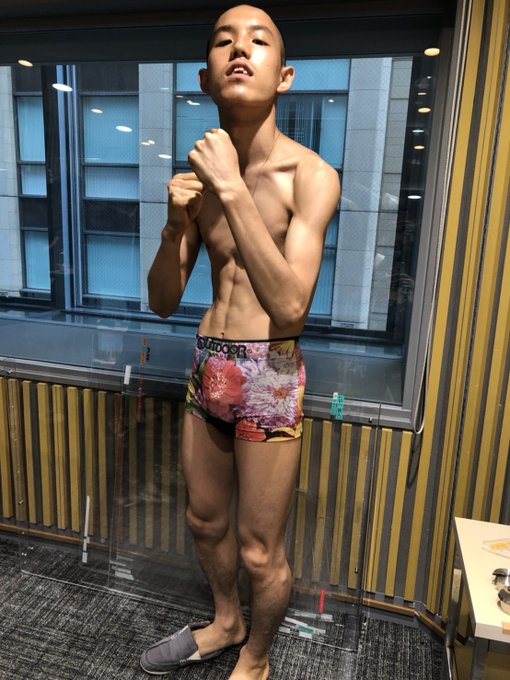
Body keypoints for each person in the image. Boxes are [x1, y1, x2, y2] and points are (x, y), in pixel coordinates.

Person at [141, 5, 340, 679]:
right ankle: (227, 622)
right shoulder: (199, 176)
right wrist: (176, 225)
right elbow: (163, 301)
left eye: (258, 41)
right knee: (204, 522)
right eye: (224, 40)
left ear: (283, 76)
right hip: (210, 366)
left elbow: (290, 309)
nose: (239, 49)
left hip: (270, 371)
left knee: (260, 550)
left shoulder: (310, 176)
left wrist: (229, 187)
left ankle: (255, 659)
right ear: (205, 76)